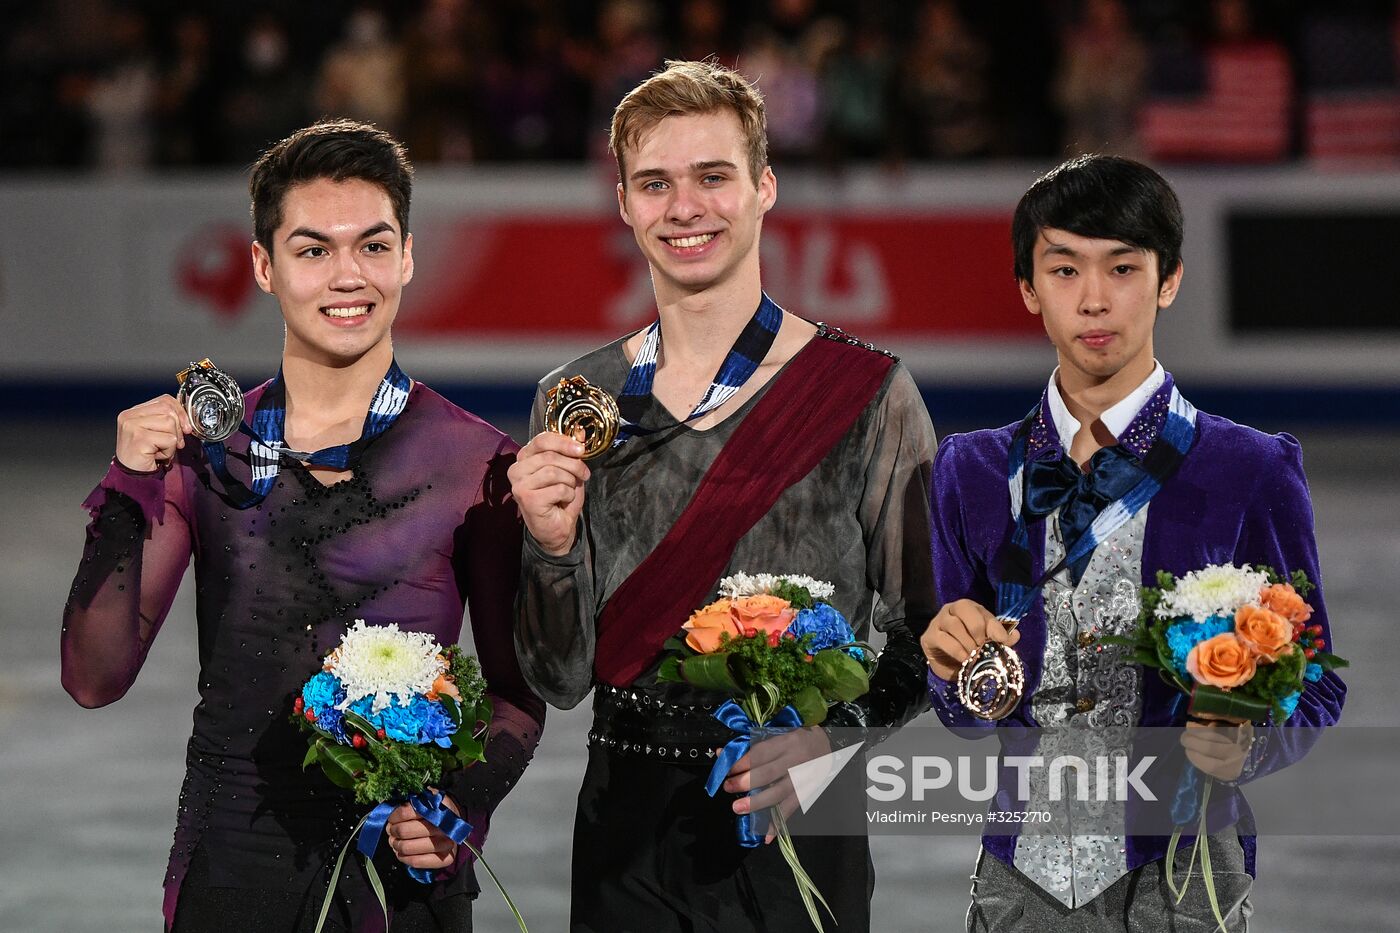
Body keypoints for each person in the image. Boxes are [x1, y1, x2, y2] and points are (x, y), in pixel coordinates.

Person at [61, 119, 544, 933]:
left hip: (400, 885)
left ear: (408, 257)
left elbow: (516, 697)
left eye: (373, 246)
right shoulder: (207, 453)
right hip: (231, 871)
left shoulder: (475, 464)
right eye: (314, 249)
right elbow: (93, 674)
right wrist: (127, 485)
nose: (347, 276)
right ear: (264, 265)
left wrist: (456, 810)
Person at [509, 60, 936, 932]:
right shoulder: (578, 398)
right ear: (624, 202)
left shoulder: (866, 392)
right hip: (624, 832)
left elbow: (930, 633)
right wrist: (549, 550)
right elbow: (556, 680)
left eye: (713, 177)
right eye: (655, 183)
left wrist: (834, 736)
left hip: (801, 811)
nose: (685, 207)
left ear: (764, 188)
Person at [919, 154, 1346, 930]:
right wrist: (951, 671)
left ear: (1169, 279)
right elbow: (968, 713)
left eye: (1122, 267)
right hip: (1017, 885)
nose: (1094, 298)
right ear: (1028, 289)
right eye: (1064, 269)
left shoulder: (1252, 468)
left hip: (1184, 883)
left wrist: (1247, 744)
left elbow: (1314, 684)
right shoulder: (969, 470)